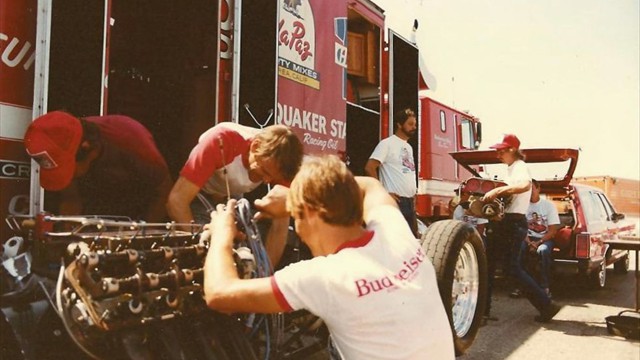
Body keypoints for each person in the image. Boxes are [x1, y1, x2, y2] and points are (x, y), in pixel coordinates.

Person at [204, 155, 455, 359]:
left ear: (311, 213)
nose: (299, 231)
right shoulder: (396, 234)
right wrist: (312, 191)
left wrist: (221, 234)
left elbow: (220, 294)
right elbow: (371, 185)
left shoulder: (325, 277)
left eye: (296, 216)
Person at [23, 111, 172, 222]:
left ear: (88, 149)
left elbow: (165, 192)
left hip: (144, 208)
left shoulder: (131, 140)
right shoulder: (66, 142)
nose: (69, 177)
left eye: (70, 171)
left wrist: (142, 235)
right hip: (102, 208)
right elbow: (71, 199)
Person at [481, 134, 560, 323]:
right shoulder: (510, 169)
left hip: (513, 223)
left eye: (501, 150)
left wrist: (497, 190)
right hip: (507, 221)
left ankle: (547, 305)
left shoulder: (520, 168)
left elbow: (525, 185)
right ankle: (483, 312)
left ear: (512, 150)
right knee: (491, 265)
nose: (497, 154)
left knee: (511, 268)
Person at [166, 122, 303, 225]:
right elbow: (177, 201)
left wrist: (266, 262)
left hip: (229, 196)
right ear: (255, 147)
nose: (267, 181)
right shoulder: (222, 142)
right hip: (198, 194)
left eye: (272, 178)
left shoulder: (279, 163)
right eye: (264, 172)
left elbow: (280, 227)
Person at [364, 108, 418, 237]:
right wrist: (382, 193)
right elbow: (369, 167)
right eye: (410, 124)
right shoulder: (387, 144)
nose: (414, 127)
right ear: (399, 124)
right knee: (395, 241)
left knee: (410, 243)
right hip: (396, 202)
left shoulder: (409, 147)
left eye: (415, 124)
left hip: (409, 203)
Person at [523, 179, 561, 298]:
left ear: (538, 189)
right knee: (518, 249)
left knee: (543, 251)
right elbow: (521, 228)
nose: (530, 192)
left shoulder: (548, 206)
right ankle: (520, 286)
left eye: (532, 189)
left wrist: (538, 242)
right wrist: (529, 243)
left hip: (545, 238)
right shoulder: (522, 206)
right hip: (527, 238)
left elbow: (553, 230)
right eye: (527, 190)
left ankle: (545, 286)